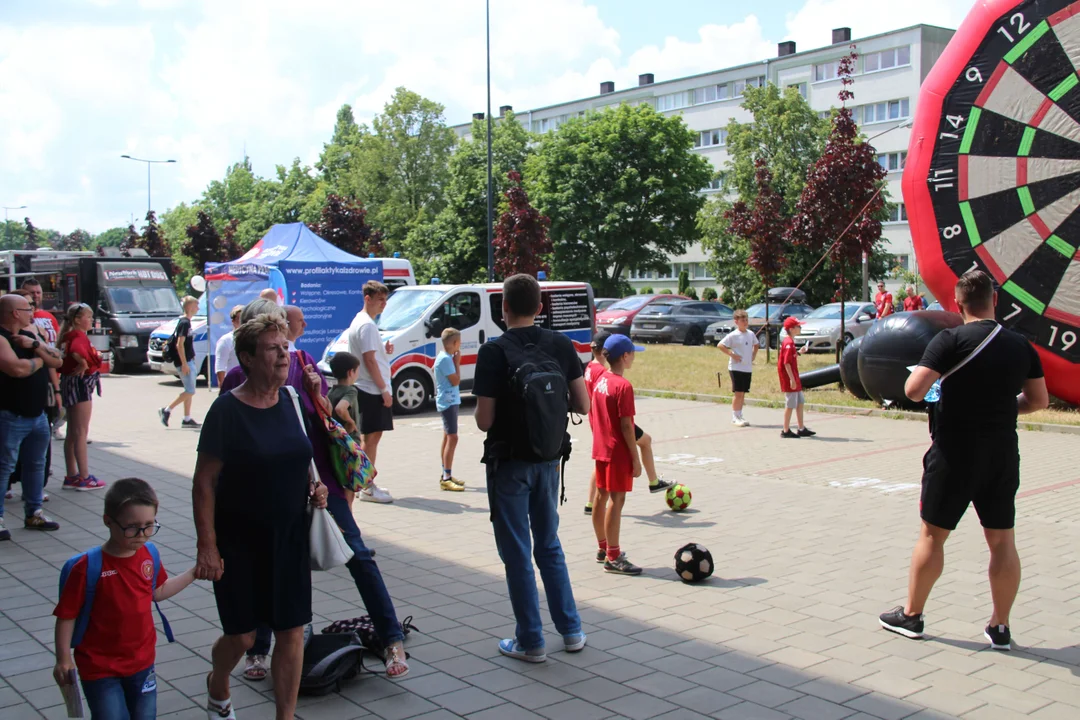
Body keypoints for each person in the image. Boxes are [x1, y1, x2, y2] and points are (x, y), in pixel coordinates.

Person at [879, 270, 1048, 651]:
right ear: (995, 300)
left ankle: (912, 615)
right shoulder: (1021, 345)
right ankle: (1000, 626)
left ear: (958, 304)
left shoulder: (949, 339)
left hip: (954, 453)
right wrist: (1003, 411)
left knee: (932, 535)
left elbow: (914, 389)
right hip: (1001, 453)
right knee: (1002, 540)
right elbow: (1039, 401)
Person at [194, 314, 331, 720]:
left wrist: (315, 485)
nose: (283, 355)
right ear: (247, 358)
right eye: (273, 348)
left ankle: (284, 717)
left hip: (288, 537)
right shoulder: (226, 411)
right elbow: (204, 483)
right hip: (238, 541)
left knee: (291, 632)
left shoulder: (290, 401)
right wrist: (208, 546)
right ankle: (219, 678)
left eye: (285, 347)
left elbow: (299, 454)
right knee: (242, 635)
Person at [473, 274, 590, 662]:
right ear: (540, 308)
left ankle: (531, 641)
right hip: (549, 460)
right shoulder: (560, 343)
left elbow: (484, 422)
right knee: (549, 545)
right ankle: (571, 630)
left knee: (517, 553)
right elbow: (584, 406)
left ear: (502, 308)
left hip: (508, 465)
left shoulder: (493, 351)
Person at [53, 478, 196, 719]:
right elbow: (67, 616)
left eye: (149, 526)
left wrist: (193, 573)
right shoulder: (87, 568)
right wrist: (63, 659)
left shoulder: (149, 554)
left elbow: (157, 591)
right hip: (99, 668)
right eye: (132, 527)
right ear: (108, 520)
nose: (142, 535)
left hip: (142, 663)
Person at [583, 332, 671, 515]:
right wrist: (634, 460)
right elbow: (625, 424)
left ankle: (591, 504)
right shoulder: (608, 376)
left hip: (600, 425)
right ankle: (653, 481)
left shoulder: (590, 367)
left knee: (602, 470)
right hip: (611, 425)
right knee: (616, 497)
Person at [0, 293, 64, 540]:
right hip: (10, 415)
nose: (32, 311)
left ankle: (34, 512)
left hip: (37, 415)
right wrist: (40, 360)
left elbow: (57, 360)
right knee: (4, 466)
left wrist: (36, 346)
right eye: (28, 308)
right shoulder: (2, 339)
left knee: (36, 465)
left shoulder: (30, 335)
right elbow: (16, 369)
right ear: (15, 313)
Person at [591, 334, 648, 576]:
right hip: (617, 452)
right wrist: (636, 459)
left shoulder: (601, 378)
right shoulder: (623, 386)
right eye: (633, 353)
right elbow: (627, 426)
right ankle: (613, 557)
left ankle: (603, 548)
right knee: (617, 501)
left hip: (601, 447)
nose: (634, 357)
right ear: (624, 357)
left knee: (601, 497)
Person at [344, 280, 395, 503]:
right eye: (380, 300)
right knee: (371, 438)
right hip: (371, 389)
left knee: (372, 437)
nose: (383, 304)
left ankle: (365, 483)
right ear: (368, 299)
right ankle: (366, 485)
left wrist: (384, 349)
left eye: (385, 299)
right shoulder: (366, 325)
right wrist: (383, 389)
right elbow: (369, 360)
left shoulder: (362, 322)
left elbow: (370, 355)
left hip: (367, 387)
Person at [58, 303, 107, 491]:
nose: (91, 320)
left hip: (72, 382)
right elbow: (75, 351)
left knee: (73, 431)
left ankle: (72, 475)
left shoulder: (68, 335)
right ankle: (84, 477)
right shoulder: (78, 336)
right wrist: (83, 363)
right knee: (80, 432)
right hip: (80, 383)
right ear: (78, 319)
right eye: (88, 316)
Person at [158, 296, 200, 429]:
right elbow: (179, 344)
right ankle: (167, 410)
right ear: (189, 307)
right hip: (185, 362)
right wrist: (184, 363)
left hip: (188, 360)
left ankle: (187, 418)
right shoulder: (184, 323)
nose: (198, 308)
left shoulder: (186, 322)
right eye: (196, 305)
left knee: (189, 389)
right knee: (190, 391)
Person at [717, 309, 759, 427]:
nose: (745, 322)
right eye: (742, 320)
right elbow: (720, 345)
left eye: (746, 320)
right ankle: (735, 417)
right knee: (738, 393)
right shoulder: (733, 335)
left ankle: (740, 414)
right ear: (736, 322)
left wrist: (753, 355)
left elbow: (756, 344)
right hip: (736, 368)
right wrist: (731, 354)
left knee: (743, 393)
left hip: (747, 368)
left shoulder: (750, 334)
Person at [434, 328, 465, 492]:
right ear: (454, 343)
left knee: (447, 436)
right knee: (453, 437)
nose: (460, 345)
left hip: (449, 400)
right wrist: (457, 363)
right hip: (448, 401)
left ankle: (446, 472)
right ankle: (446, 477)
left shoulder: (445, 357)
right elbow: (455, 381)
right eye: (459, 342)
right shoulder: (446, 359)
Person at [778, 317, 815, 439]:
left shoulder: (790, 342)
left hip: (794, 376)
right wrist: (792, 379)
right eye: (798, 326)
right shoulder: (788, 343)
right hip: (790, 378)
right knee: (790, 404)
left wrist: (799, 352)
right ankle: (785, 430)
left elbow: (790, 358)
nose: (800, 328)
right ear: (792, 329)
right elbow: (786, 363)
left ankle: (801, 428)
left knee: (800, 402)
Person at [214, 305, 244, 387]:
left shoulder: (253, 339)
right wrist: (222, 390)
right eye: (239, 319)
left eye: (245, 319)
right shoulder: (226, 340)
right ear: (233, 321)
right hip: (233, 385)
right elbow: (220, 367)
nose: (242, 322)